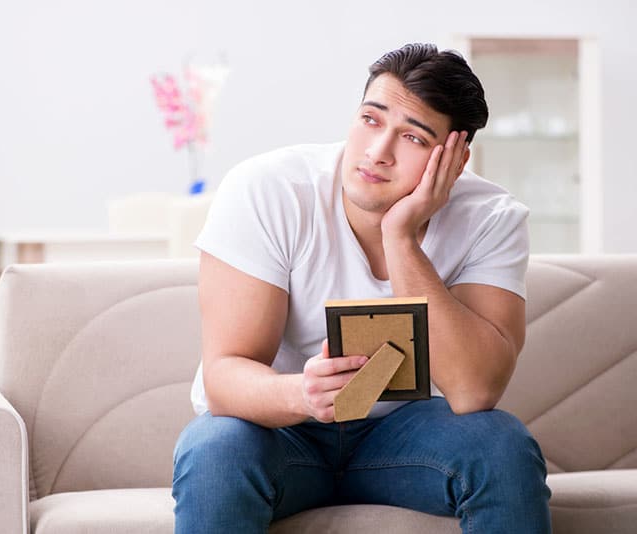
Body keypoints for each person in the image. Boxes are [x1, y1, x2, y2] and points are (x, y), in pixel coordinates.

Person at [172, 43, 552, 533]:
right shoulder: (269, 190)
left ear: (454, 161)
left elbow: (475, 390)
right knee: (214, 449)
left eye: (413, 138)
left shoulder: (490, 218)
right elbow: (224, 375)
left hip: (403, 437)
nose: (378, 152)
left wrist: (402, 238)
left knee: (501, 445)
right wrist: (305, 397)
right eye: (371, 120)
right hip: (279, 433)